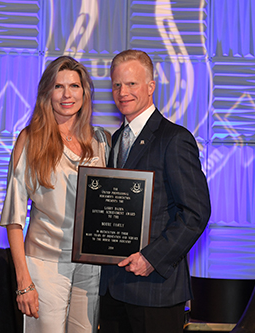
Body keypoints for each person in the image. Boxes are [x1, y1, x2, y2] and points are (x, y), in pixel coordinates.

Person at [99, 50, 211, 333]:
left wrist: (151, 258)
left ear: (150, 86)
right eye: (117, 85)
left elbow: (196, 212)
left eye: (132, 84)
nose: (123, 92)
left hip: (155, 291)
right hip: (113, 290)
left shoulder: (174, 139)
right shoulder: (114, 140)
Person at [0, 56, 110, 333]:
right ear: (47, 92)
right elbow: (14, 218)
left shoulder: (102, 141)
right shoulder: (30, 139)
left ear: (85, 93)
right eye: (58, 86)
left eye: (74, 86)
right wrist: (23, 281)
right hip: (45, 263)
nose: (67, 94)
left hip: (91, 267)